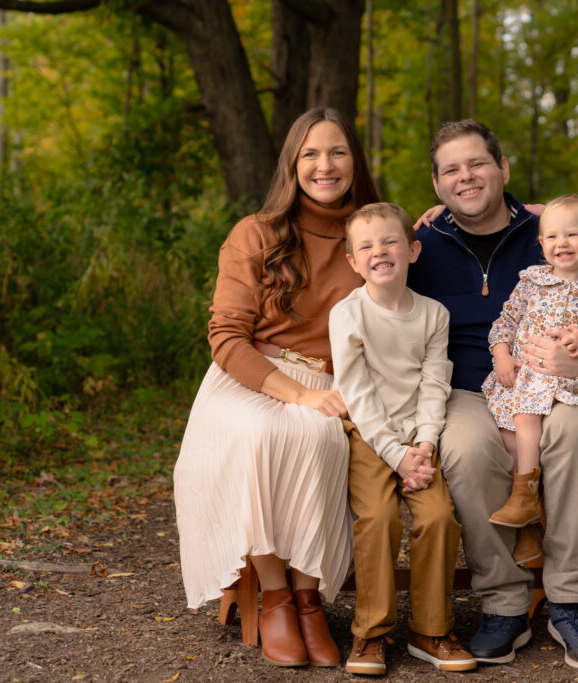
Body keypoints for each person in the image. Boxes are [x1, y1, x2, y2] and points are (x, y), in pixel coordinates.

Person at [173, 107, 379, 667]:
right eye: (310, 154)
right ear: (292, 163)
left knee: (321, 439)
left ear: (355, 161)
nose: (324, 165)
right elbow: (226, 337)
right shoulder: (256, 232)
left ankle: (310, 600)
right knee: (265, 435)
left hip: (333, 381)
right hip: (251, 378)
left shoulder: (374, 233)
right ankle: (276, 596)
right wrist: (301, 394)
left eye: (337, 152)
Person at [408, 119, 578, 670]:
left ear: (503, 168)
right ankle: (503, 602)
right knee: (465, 448)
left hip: (558, 386)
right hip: (466, 390)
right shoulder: (422, 248)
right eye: (451, 170)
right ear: (436, 185)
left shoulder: (550, 232)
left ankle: (571, 601)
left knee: (575, 431)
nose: (466, 177)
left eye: (477, 163)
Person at [328, 202, 476, 675]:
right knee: (378, 516)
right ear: (353, 261)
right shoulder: (348, 315)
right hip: (370, 436)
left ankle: (431, 629)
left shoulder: (434, 314)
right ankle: (370, 631)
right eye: (367, 246)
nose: (379, 251)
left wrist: (426, 444)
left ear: (413, 251)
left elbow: (435, 384)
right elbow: (357, 393)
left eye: (390, 241)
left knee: (439, 516)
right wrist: (395, 455)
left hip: (418, 439)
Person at [482, 195, 578, 534]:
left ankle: (524, 498)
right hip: (523, 376)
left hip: (565, 381)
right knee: (508, 436)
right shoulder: (531, 281)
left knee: (529, 421)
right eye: (553, 236)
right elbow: (504, 322)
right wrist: (501, 355)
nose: (562, 243)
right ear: (542, 243)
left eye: (572, 234)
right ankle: (530, 515)